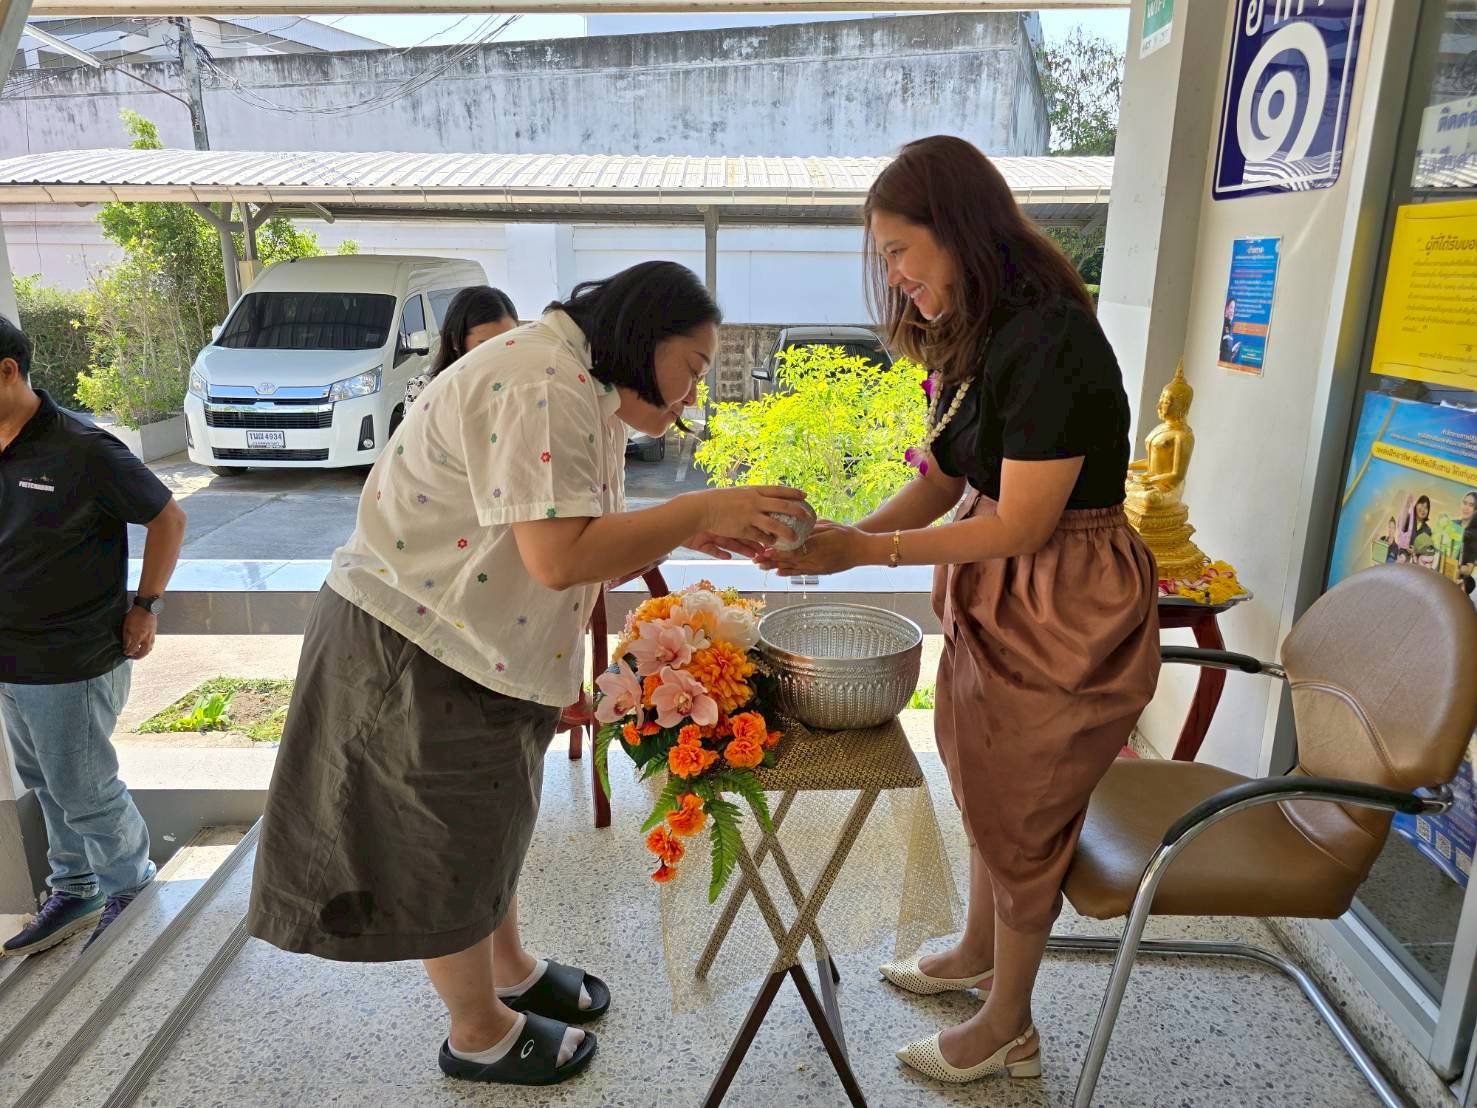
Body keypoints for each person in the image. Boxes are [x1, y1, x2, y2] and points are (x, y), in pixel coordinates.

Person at [245, 261, 806, 1088]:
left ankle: (507, 971)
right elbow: (558, 556)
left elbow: (557, 526)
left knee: (486, 824)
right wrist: (696, 509)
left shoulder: (575, 381)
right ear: (644, 336)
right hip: (422, 642)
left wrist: (677, 534)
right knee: (442, 840)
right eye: (691, 368)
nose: (691, 394)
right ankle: (477, 1032)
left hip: (480, 641)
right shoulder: (543, 379)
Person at [760, 136, 1161, 1084]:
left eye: (900, 251)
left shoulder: (1052, 339)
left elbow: (1023, 524)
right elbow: (944, 479)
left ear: (959, 230)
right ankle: (980, 951)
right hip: (1000, 590)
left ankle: (1007, 1029)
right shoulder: (979, 332)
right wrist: (840, 539)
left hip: (1059, 599)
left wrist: (867, 552)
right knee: (982, 777)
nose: (894, 277)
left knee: (1023, 810)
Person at [0, 314, 186, 957]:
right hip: (11, 657)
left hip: (72, 657)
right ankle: (76, 888)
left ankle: (131, 891)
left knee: (83, 789)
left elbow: (168, 517)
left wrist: (146, 605)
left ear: (7, 371)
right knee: (44, 782)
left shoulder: (82, 448)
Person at [405, 286, 519, 408]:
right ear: (455, 341)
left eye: (509, 343)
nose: (500, 354)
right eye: (487, 346)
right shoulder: (424, 390)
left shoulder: (523, 384)